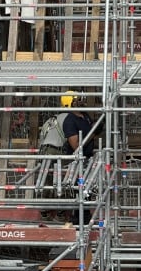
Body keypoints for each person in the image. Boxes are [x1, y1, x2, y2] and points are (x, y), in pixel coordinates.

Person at [40, 91, 101, 222]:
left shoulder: (83, 116)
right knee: (58, 183)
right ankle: (53, 212)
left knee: (68, 184)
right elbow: (76, 145)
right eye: (77, 100)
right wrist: (92, 133)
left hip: (77, 155)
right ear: (70, 103)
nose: (82, 102)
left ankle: (65, 213)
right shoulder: (68, 119)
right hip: (57, 152)